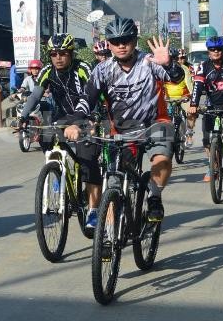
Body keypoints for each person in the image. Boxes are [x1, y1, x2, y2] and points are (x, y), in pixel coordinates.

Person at [65, 17, 185, 222]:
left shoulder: (149, 62)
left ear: (134, 40)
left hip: (155, 124)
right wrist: (76, 121)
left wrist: (169, 64)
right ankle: (108, 241)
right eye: (116, 41)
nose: (121, 45)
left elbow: (177, 78)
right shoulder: (102, 70)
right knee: (113, 186)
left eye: (126, 40)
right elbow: (88, 98)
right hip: (121, 131)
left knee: (162, 160)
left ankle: (155, 197)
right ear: (109, 44)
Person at [19, 33, 102, 229]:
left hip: (86, 118)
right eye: (54, 53)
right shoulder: (47, 71)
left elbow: (93, 96)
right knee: (47, 140)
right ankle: (58, 173)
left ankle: (93, 211)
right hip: (61, 118)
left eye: (63, 53)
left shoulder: (83, 68)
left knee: (88, 162)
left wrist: (92, 121)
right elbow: (35, 95)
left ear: (71, 53)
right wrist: (23, 116)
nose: (58, 57)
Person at [188, 36, 223, 182]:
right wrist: (193, 104)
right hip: (212, 106)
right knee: (207, 138)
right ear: (208, 51)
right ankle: (212, 166)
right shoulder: (203, 67)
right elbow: (197, 87)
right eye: (213, 49)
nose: (216, 52)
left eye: (219, 49)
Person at [164, 48, 195, 147]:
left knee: (191, 112)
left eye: (178, 58)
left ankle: (189, 133)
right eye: (171, 58)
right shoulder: (161, 68)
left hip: (183, 97)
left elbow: (189, 84)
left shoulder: (184, 69)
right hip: (168, 98)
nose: (176, 60)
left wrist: (193, 98)